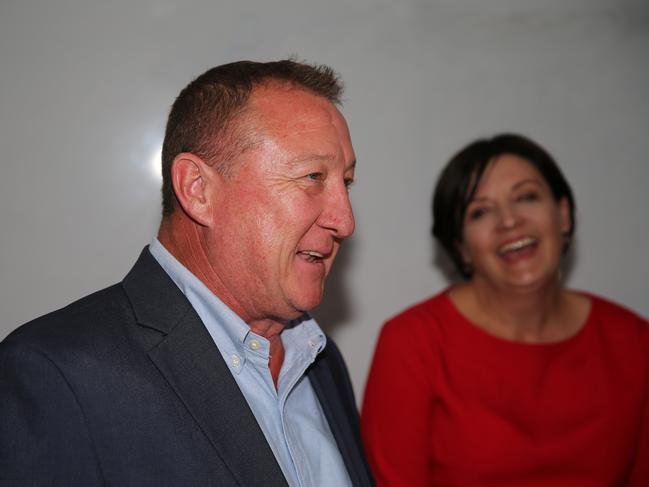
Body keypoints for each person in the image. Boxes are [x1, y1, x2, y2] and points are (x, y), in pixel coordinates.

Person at [0, 60, 373, 487]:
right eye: (312, 177)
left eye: (346, 183)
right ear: (198, 189)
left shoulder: (318, 361)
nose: (344, 220)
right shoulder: (57, 375)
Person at [361, 133, 649, 486]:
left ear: (563, 214)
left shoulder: (632, 340)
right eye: (480, 212)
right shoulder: (413, 343)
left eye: (526, 197)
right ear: (461, 248)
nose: (509, 221)